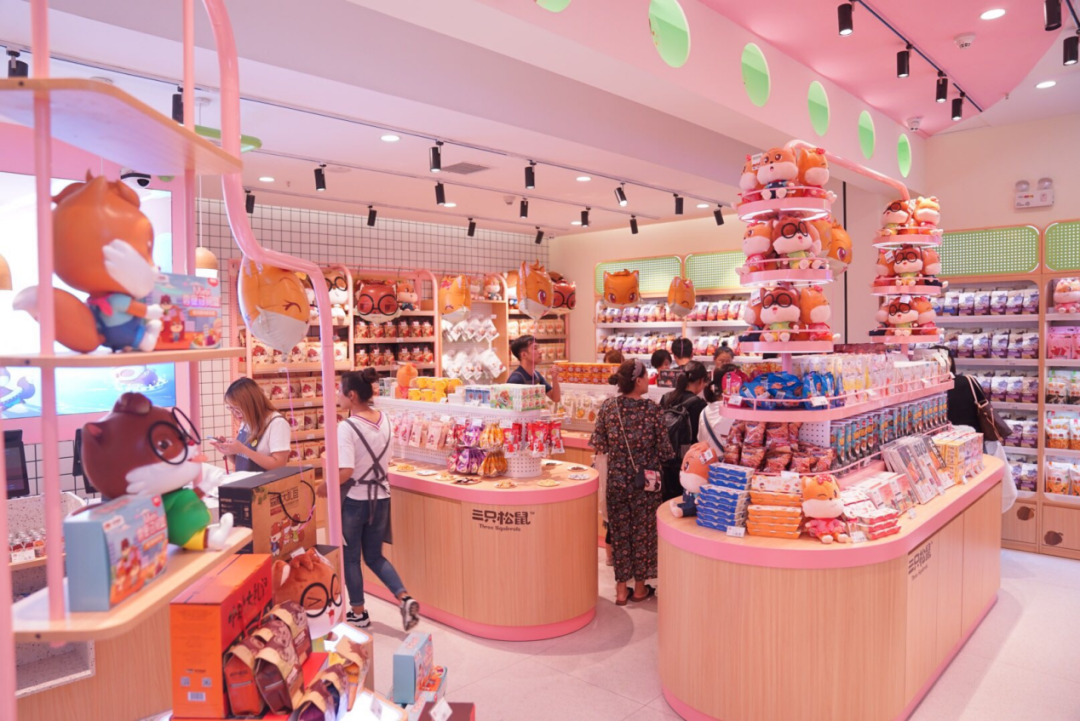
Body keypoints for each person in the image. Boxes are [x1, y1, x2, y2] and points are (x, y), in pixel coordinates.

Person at [335, 368, 420, 632]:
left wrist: (326, 485)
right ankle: (404, 597)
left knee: (351, 558)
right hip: (381, 496)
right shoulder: (385, 420)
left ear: (351, 395)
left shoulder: (346, 427)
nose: (337, 394)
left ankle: (358, 613)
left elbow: (346, 471)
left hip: (355, 500)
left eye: (339, 390)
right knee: (375, 556)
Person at [590, 360, 674, 605]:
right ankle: (639, 588)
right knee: (644, 534)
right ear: (638, 381)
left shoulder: (609, 407)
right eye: (646, 376)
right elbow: (666, 451)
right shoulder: (652, 409)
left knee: (620, 534)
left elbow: (600, 444)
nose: (648, 381)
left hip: (617, 480)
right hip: (646, 482)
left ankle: (620, 591)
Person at [212, 377, 290, 472]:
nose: (235, 413)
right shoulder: (247, 420)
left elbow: (279, 465)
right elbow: (241, 462)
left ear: (251, 405)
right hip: (245, 480)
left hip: (265, 481)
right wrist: (227, 450)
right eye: (231, 408)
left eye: (237, 409)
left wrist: (243, 450)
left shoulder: (277, 423)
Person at [659, 361, 709, 501]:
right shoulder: (699, 404)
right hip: (687, 463)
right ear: (701, 381)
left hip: (664, 461)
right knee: (683, 502)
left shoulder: (666, 398)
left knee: (665, 503)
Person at [699, 363, 739, 455]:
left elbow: (701, 441)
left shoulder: (704, 411)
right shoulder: (738, 413)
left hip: (710, 462)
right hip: (733, 462)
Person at [508, 335, 561, 402]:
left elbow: (556, 398)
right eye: (535, 348)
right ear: (524, 354)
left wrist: (554, 378)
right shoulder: (515, 379)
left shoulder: (537, 375)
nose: (540, 351)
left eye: (538, 348)